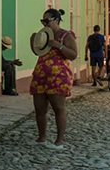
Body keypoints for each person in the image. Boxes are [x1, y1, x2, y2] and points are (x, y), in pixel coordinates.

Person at [30, 9, 76, 148]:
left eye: (47, 21)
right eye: (42, 21)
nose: (44, 23)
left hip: (58, 77)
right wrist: (33, 42)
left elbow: (73, 54)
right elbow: (38, 52)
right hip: (41, 74)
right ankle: (41, 138)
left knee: (58, 108)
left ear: (56, 20)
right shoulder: (43, 34)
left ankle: (59, 141)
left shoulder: (66, 35)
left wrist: (59, 46)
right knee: (39, 108)